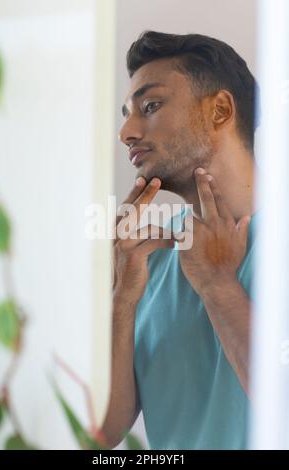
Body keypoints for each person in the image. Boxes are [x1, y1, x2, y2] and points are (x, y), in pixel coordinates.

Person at [101, 31, 260, 450]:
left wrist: (218, 285)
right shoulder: (147, 255)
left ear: (221, 109)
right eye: (126, 113)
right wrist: (121, 297)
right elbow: (98, 436)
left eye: (150, 106)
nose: (126, 132)